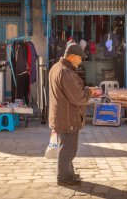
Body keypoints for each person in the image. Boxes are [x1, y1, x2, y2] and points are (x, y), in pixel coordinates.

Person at [48, 43, 96, 186]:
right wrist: (90, 92)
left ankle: (69, 174)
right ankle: (63, 178)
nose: (81, 61)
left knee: (67, 147)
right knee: (67, 149)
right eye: (80, 58)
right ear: (72, 57)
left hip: (62, 114)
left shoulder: (56, 67)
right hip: (67, 117)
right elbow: (78, 98)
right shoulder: (66, 72)